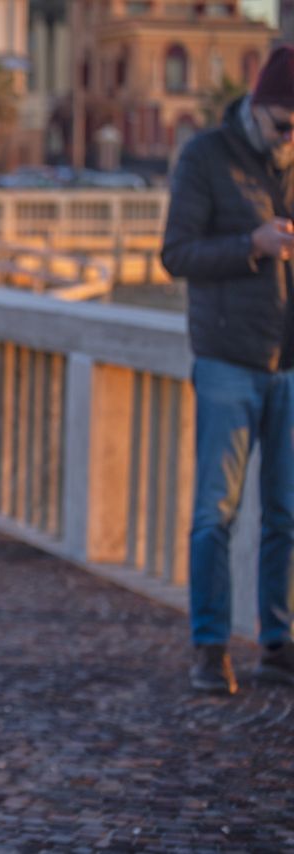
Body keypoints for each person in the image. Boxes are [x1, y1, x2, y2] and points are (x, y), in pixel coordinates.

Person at [162, 45, 294, 696]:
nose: (291, 139)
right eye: (284, 126)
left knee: (286, 514)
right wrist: (253, 245)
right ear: (257, 107)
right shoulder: (206, 156)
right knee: (215, 513)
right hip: (226, 360)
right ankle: (210, 648)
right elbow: (176, 253)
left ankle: (277, 643)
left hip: (288, 362)